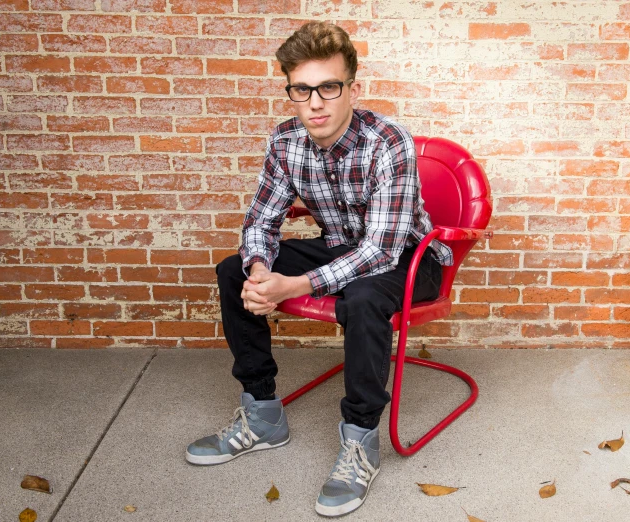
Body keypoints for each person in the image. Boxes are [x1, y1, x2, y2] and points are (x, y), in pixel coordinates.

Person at [185, 21, 453, 517]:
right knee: (232, 270)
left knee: (365, 297)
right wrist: (263, 270)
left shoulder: (387, 141)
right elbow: (260, 219)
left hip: (409, 259)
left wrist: (298, 283)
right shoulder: (286, 141)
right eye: (302, 89)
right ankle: (262, 414)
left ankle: (360, 441)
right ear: (290, 91)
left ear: (352, 87)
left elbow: (378, 251)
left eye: (328, 86)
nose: (316, 102)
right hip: (338, 248)